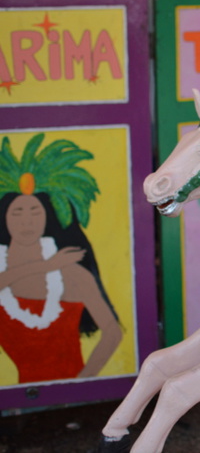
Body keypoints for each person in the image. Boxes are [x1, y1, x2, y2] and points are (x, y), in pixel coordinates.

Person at [0, 134, 122, 384]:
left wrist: (83, 379)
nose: (26, 221)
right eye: (17, 212)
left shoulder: (72, 275)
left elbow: (112, 331)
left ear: (47, 218)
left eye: (35, 212)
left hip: (70, 374)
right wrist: (44, 267)